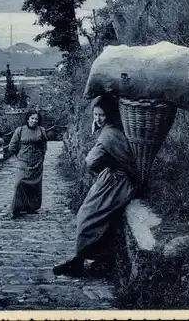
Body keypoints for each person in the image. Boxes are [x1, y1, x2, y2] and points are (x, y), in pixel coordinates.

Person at [53, 94, 138, 277]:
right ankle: (85, 257)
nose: (98, 119)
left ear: (110, 114)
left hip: (120, 182)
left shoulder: (109, 134)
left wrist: (105, 162)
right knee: (88, 212)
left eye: (101, 115)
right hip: (114, 178)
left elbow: (91, 161)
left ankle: (83, 260)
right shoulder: (114, 129)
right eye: (95, 115)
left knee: (88, 217)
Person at [8, 111, 48, 218]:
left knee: (34, 185)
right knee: (19, 183)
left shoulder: (41, 130)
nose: (34, 121)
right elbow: (12, 146)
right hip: (23, 162)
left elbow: (44, 145)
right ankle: (15, 209)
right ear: (27, 119)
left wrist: (41, 157)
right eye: (32, 118)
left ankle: (31, 208)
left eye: (36, 119)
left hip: (37, 162)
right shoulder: (20, 130)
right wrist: (20, 156)